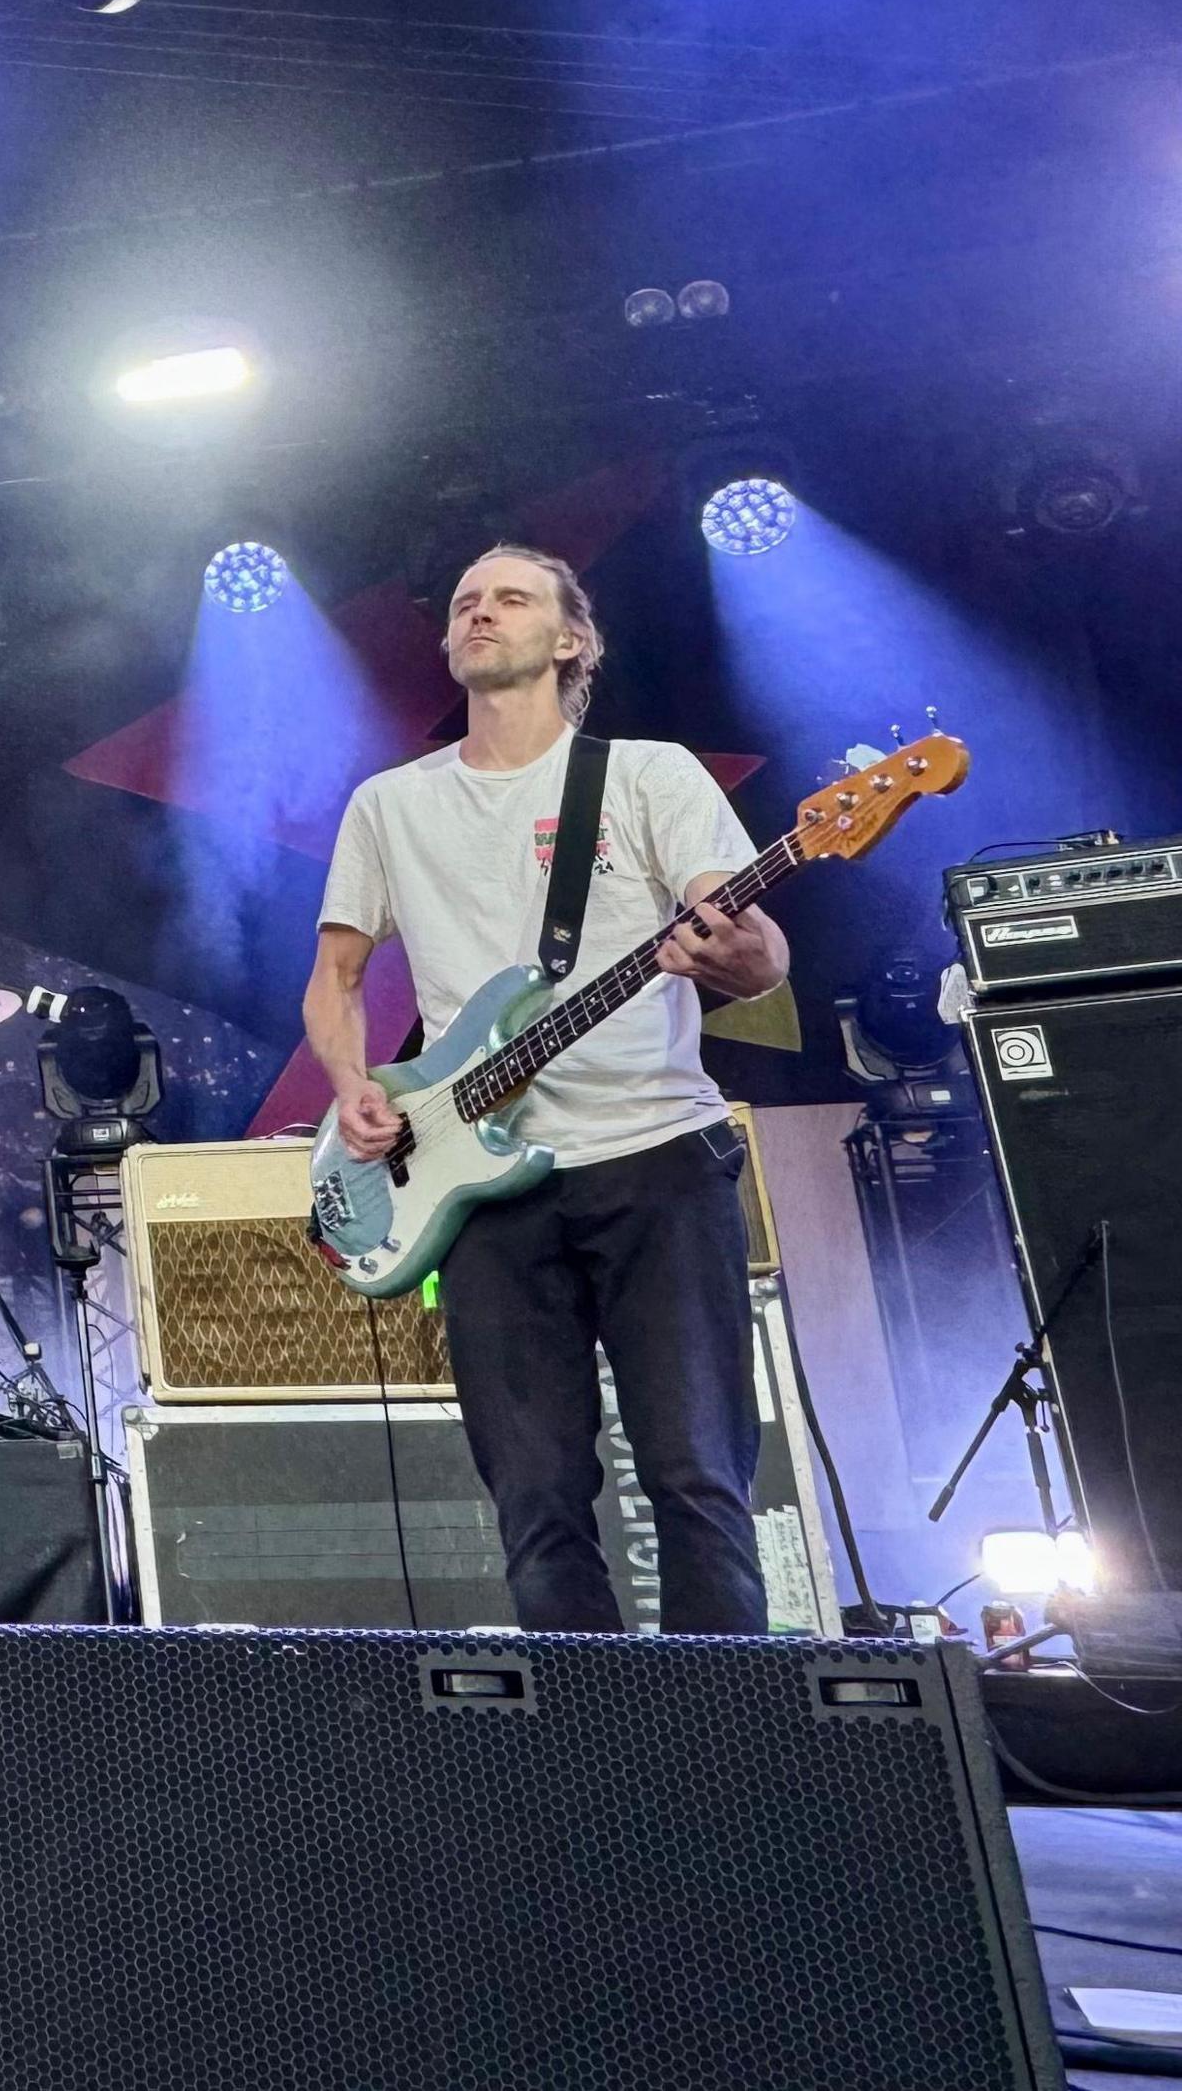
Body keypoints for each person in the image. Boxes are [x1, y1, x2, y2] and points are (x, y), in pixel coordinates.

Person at [304, 544, 787, 1634]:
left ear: (570, 639)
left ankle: (729, 1746)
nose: (479, 611)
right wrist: (352, 1086)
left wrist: (731, 953)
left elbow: (759, 954)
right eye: (465, 600)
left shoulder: (650, 775)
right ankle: (585, 1751)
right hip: (483, 1189)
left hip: (656, 1155)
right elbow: (334, 979)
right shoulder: (390, 803)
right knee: (534, 1496)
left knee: (696, 1476)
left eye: (510, 597)